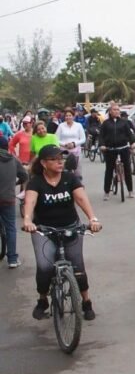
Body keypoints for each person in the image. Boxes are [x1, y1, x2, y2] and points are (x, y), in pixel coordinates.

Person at [22, 145, 102, 321]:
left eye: (62, 158)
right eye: (54, 159)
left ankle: (86, 302)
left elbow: (81, 198)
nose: (60, 161)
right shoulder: (36, 181)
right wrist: (28, 220)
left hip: (70, 227)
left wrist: (92, 219)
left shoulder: (69, 178)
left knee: (78, 266)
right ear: (43, 163)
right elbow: (30, 201)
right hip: (43, 231)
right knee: (45, 267)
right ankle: (43, 300)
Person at [0, 136, 28, 268]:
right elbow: (24, 176)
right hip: (8, 199)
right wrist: (15, 183)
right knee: (11, 228)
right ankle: (12, 259)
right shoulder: (13, 160)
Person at [99, 103, 135, 200]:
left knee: (127, 169)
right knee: (109, 170)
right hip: (110, 150)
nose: (116, 111)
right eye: (114, 109)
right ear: (110, 111)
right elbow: (101, 136)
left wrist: (133, 142)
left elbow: (130, 134)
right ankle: (106, 192)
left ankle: (130, 191)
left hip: (123, 148)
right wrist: (102, 145)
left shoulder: (124, 122)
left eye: (118, 109)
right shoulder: (105, 123)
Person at [55, 107, 87, 179]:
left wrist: (74, 144)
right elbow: (56, 139)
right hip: (64, 151)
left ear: (73, 116)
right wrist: (64, 144)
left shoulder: (78, 125)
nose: (68, 117)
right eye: (66, 116)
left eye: (70, 115)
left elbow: (83, 139)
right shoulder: (61, 126)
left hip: (76, 151)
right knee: (63, 171)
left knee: (77, 173)